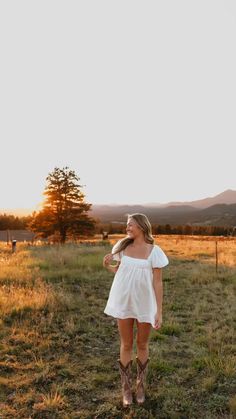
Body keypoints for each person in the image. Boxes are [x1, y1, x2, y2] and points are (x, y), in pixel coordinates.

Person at [103, 213, 169, 407]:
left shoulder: (154, 251)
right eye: (126, 225)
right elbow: (122, 271)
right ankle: (126, 388)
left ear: (141, 226)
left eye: (130, 225)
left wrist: (159, 311)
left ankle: (140, 386)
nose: (127, 228)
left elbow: (158, 283)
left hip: (145, 303)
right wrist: (108, 266)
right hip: (124, 301)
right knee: (126, 344)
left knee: (141, 344)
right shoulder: (121, 247)